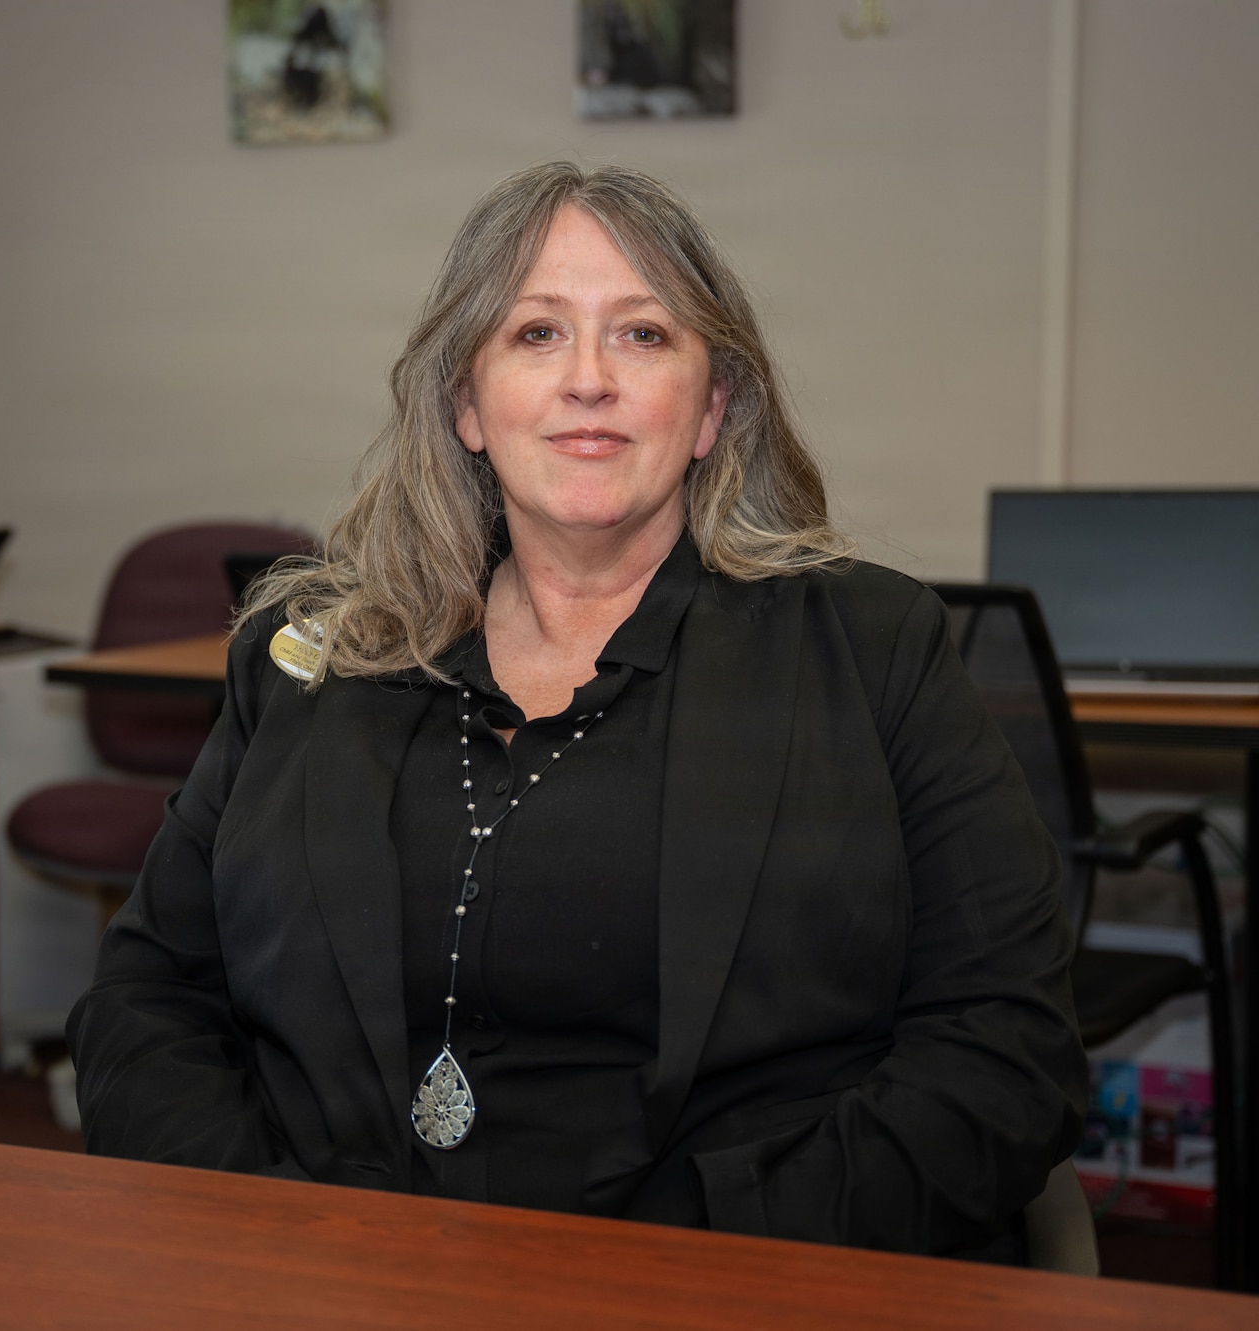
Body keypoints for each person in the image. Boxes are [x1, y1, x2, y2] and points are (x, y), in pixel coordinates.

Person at [66, 162, 1085, 1261]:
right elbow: (146, 997)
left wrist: (690, 1264)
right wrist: (272, 1230)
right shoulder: (311, 662)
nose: (587, 379)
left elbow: (1002, 1046)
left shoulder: (871, 649)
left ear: (711, 409)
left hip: (728, 1284)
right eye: (535, 333)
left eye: (642, 336)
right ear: (463, 402)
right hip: (327, 1274)